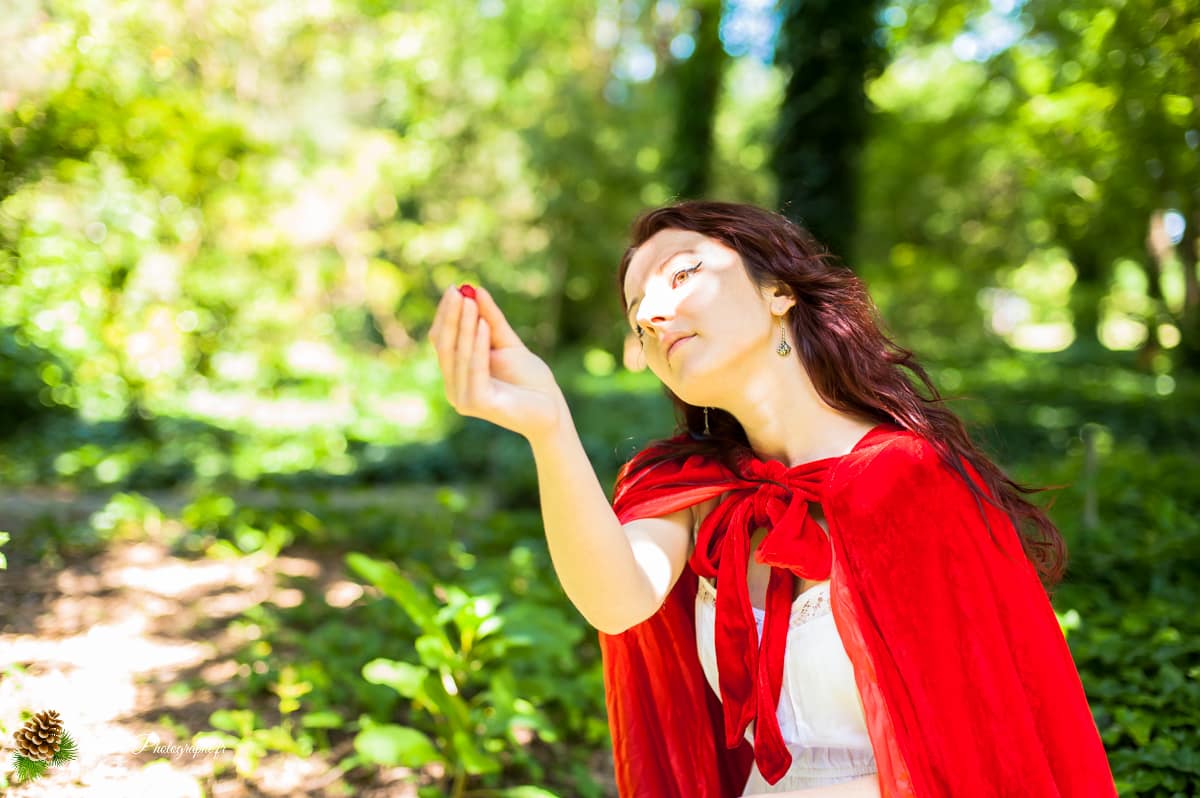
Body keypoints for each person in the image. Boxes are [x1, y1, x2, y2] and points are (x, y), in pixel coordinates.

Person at [427, 200, 1117, 797]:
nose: (656, 314)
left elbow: (981, 760)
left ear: (778, 291)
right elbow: (617, 600)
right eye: (638, 313)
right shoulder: (691, 487)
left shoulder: (910, 480)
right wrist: (548, 426)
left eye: (683, 274)